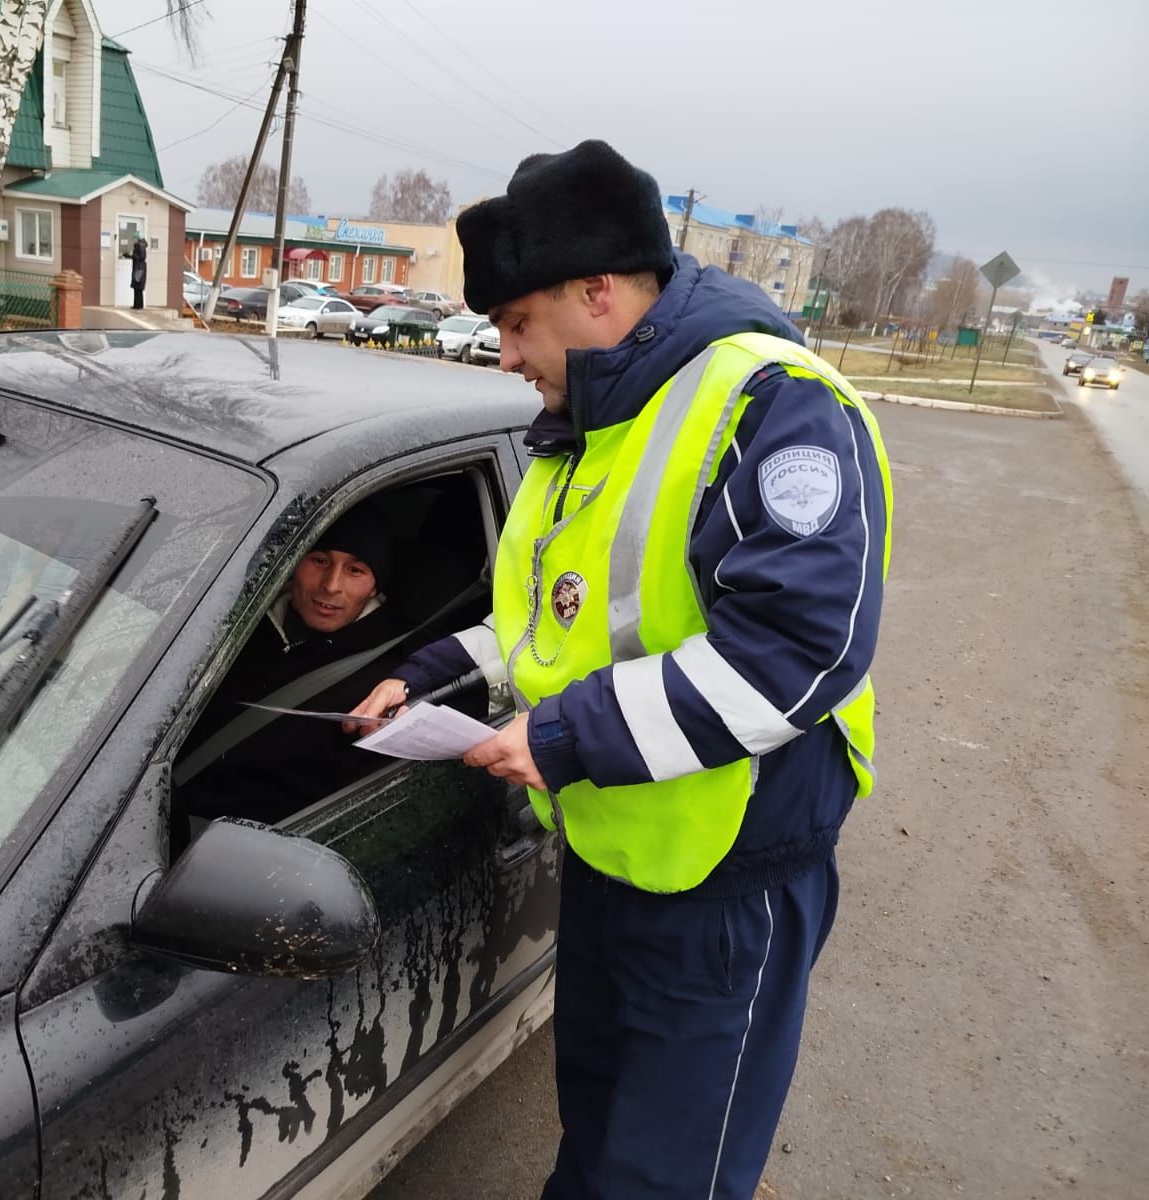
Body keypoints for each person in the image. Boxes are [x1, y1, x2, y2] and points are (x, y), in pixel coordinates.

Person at [349, 140, 893, 1200]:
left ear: (597, 292)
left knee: (666, 1177)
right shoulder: (591, 423)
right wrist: (436, 678)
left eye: (515, 324)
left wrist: (559, 739)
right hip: (615, 851)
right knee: (597, 1140)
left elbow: (797, 650)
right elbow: (563, 628)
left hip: (727, 872)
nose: (503, 354)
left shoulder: (768, 404)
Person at [175, 509, 404, 836]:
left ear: (373, 587)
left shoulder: (384, 682)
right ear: (294, 562)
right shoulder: (228, 624)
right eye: (320, 561)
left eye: (355, 570)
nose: (331, 586)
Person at [130, 237, 148, 310]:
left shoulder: (140, 245)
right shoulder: (139, 245)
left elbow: (142, 257)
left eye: (134, 238)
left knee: (138, 288)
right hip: (138, 268)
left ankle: (138, 305)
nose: (133, 240)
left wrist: (133, 255)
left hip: (139, 269)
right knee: (137, 288)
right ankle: (137, 305)